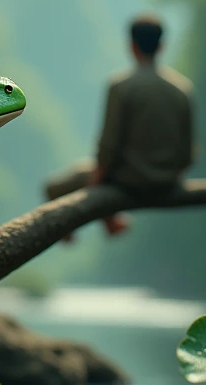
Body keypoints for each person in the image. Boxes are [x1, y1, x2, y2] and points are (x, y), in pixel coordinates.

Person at [44, 14, 194, 238]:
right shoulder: (182, 90)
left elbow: (108, 149)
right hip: (169, 181)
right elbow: (188, 152)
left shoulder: (121, 86)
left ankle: (78, 231)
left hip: (130, 181)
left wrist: (94, 190)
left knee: (53, 187)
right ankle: (109, 221)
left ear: (132, 46)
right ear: (161, 46)